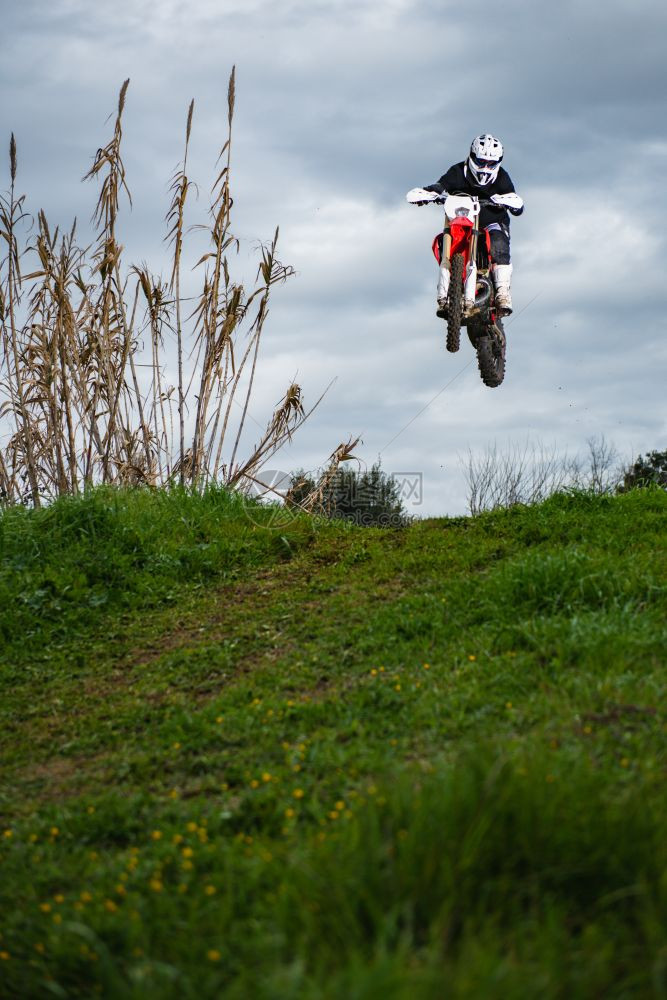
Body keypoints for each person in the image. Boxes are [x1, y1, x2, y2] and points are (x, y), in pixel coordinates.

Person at [408, 134, 524, 315]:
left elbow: (515, 202)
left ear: (498, 162)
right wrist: (427, 193)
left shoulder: (502, 177)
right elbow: (440, 186)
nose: (485, 167)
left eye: (491, 163)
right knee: (444, 240)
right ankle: (448, 290)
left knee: (498, 242)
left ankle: (502, 293)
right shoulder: (457, 171)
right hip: (463, 222)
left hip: (492, 222)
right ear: (471, 156)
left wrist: (509, 201)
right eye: (481, 161)